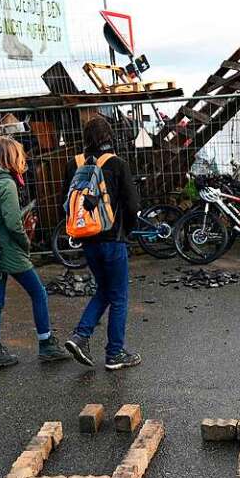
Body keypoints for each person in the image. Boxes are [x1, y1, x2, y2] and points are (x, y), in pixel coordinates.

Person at [0, 136, 68, 370]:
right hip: (10, 251)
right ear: (12, 157)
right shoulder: (5, 182)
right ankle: (46, 344)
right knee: (38, 293)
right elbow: (13, 222)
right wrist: (25, 243)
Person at [63, 116, 142, 371]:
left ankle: (80, 336)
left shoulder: (73, 164)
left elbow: (65, 202)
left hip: (86, 238)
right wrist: (125, 232)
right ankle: (114, 353)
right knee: (118, 296)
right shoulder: (118, 164)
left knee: (104, 290)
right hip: (112, 240)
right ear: (110, 137)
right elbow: (132, 206)